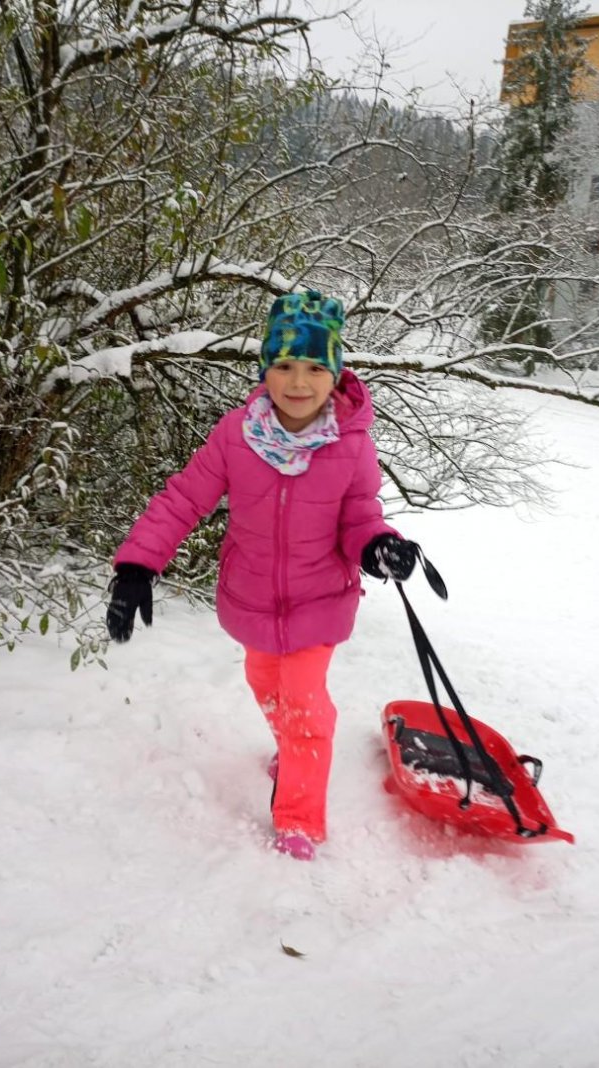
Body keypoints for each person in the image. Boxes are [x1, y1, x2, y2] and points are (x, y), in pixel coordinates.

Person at [107, 290, 422, 861]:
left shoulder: (351, 446)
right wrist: (137, 564)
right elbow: (183, 500)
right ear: (264, 369)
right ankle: (296, 744)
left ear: (335, 375)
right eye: (282, 365)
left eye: (313, 367)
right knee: (266, 688)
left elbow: (360, 518)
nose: (297, 382)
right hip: (250, 602)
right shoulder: (237, 435)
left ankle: (299, 817)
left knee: (302, 706)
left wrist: (379, 548)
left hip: (319, 603)